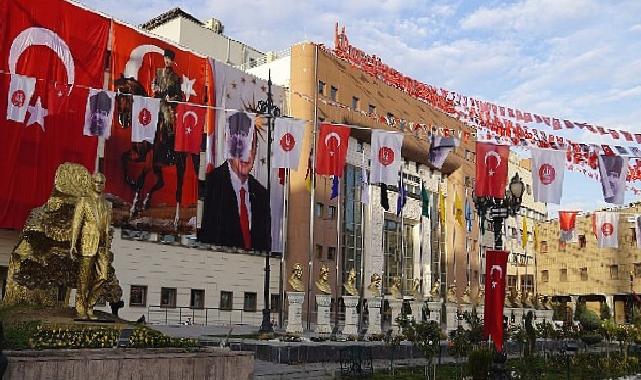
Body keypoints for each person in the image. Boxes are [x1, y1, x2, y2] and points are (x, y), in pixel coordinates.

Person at [199, 112, 271, 251]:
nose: (247, 155)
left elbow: (264, 247)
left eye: (252, 147)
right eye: (241, 146)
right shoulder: (211, 185)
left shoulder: (261, 194)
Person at [69, 173, 112, 320]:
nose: (99, 184)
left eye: (101, 182)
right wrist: (73, 243)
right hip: (87, 243)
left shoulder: (107, 204)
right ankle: (80, 307)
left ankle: (90, 304)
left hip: (102, 245)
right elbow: (76, 223)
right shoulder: (84, 201)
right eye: (96, 182)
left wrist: (107, 244)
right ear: (91, 183)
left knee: (103, 276)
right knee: (83, 278)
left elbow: (107, 226)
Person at [152, 49, 183, 165]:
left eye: (169, 59)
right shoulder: (158, 72)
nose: (167, 61)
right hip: (156, 102)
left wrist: (172, 98)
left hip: (168, 105)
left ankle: (170, 152)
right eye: (166, 58)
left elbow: (180, 96)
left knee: (167, 120)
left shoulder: (176, 78)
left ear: (172, 61)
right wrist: (155, 88)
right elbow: (153, 85)